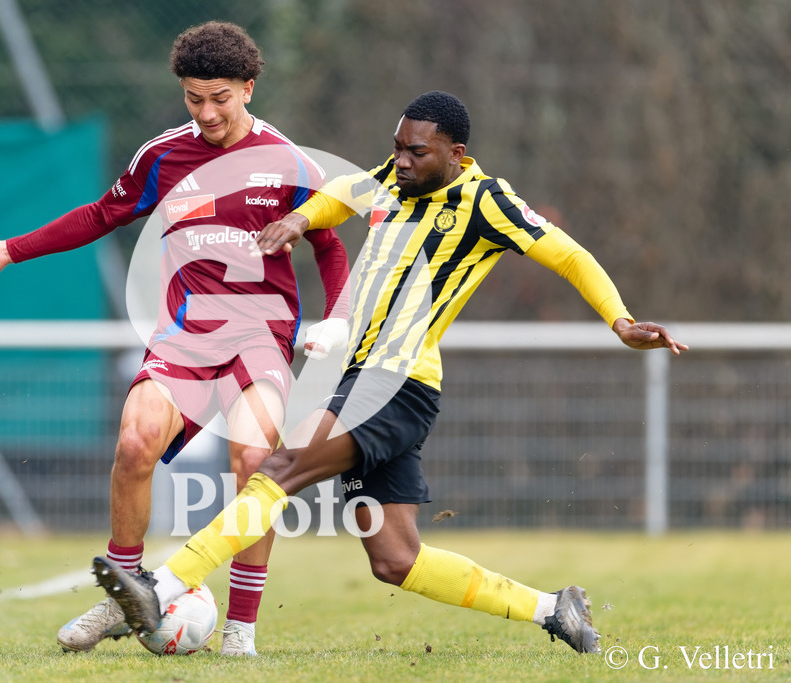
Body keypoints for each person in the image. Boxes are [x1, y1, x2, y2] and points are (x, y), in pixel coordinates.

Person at [91, 90, 689, 655]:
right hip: (367, 379)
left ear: (457, 155)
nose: (400, 160)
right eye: (397, 146)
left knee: (280, 467)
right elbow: (344, 193)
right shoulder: (392, 176)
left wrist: (620, 320)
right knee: (395, 559)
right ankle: (554, 609)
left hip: (395, 382)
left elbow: (568, 254)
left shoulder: (486, 202)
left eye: (416, 152)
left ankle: (160, 589)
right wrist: (301, 220)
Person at [0, 21, 349, 656]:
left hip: (259, 340)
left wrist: (339, 316)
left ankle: (241, 633)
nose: (207, 111)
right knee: (135, 444)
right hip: (186, 338)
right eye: (194, 98)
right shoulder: (163, 155)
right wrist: (11, 249)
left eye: (220, 97)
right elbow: (101, 214)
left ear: (249, 88)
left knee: (253, 462)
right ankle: (123, 595)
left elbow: (329, 246)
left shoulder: (291, 163)